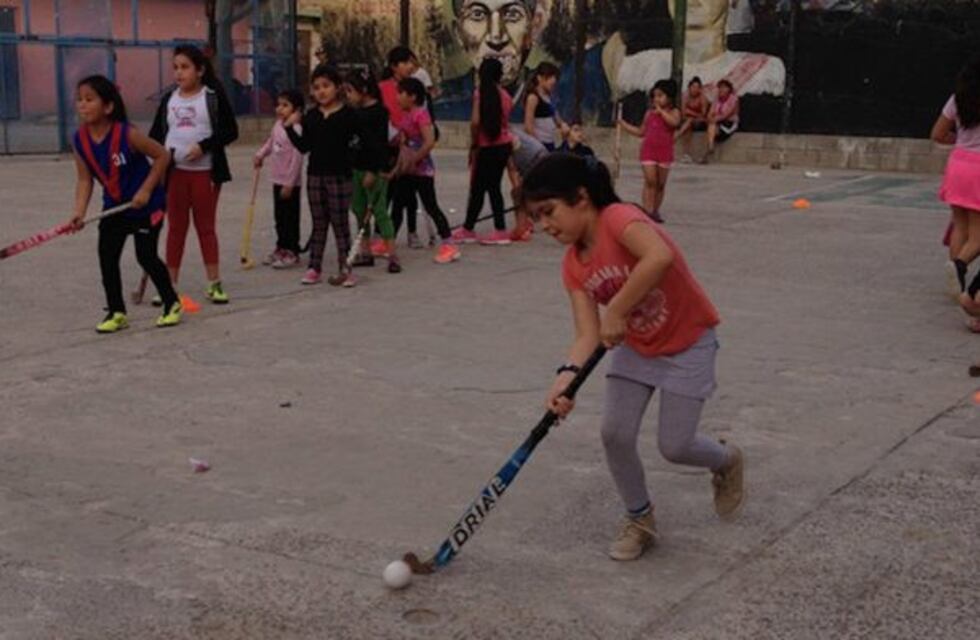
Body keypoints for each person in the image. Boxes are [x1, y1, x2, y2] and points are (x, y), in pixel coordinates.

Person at [521, 152, 745, 562]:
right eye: (537, 217)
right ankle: (639, 516)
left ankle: (726, 459)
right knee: (615, 434)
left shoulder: (619, 218)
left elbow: (658, 256)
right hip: (638, 349)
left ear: (582, 197)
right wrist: (566, 377)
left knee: (675, 446)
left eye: (549, 211)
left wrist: (619, 310)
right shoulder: (573, 266)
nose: (545, 226)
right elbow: (588, 333)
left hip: (688, 342)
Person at [70, 75, 181, 333]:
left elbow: (162, 156)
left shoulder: (127, 134)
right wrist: (78, 212)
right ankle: (117, 311)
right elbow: (84, 180)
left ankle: (171, 303)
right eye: (79, 100)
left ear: (108, 107)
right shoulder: (80, 141)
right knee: (107, 257)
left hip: (147, 205)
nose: (82, 105)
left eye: (89, 99)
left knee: (146, 255)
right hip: (114, 207)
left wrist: (145, 190)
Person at [149, 44, 238, 305]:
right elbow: (155, 136)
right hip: (175, 175)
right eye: (175, 67)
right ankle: (169, 286)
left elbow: (231, 131)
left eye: (185, 67)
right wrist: (160, 158)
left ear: (199, 70)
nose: (179, 73)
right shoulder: (169, 100)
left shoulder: (211, 97)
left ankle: (214, 283)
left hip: (205, 174)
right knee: (176, 228)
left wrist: (204, 146)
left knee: (206, 228)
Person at [284, 64, 360, 287]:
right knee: (319, 224)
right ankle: (313, 267)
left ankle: (346, 269)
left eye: (326, 86)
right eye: (316, 87)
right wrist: (290, 128)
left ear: (337, 88)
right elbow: (304, 146)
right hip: (315, 175)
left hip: (340, 177)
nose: (321, 91)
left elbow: (357, 144)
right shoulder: (311, 117)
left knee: (340, 224)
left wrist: (356, 166)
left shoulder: (348, 115)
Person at [391, 78, 461, 265]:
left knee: (430, 205)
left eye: (400, 93)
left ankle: (449, 243)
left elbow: (429, 141)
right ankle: (388, 241)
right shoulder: (406, 115)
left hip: (421, 171)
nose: (397, 97)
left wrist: (414, 159)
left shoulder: (421, 115)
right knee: (398, 204)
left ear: (412, 97)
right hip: (408, 170)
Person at [932, 57, 980, 329]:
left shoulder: (957, 100)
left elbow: (938, 134)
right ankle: (960, 267)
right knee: (978, 233)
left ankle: (957, 282)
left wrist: (959, 141)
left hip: (958, 164)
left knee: (959, 226)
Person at [452, 58, 515, 246]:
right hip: (503, 145)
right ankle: (497, 229)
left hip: (486, 146)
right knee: (494, 188)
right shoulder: (505, 96)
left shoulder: (480, 93)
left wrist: (474, 144)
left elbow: (475, 122)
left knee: (478, 189)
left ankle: (471, 228)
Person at [345, 69, 402, 274]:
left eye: (351, 91)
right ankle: (365, 252)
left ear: (365, 90)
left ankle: (392, 255)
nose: (348, 96)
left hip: (374, 171)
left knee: (379, 212)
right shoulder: (353, 113)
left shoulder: (379, 113)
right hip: (355, 169)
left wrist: (372, 170)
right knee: (359, 210)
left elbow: (379, 146)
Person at [254, 89, 305, 269]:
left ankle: (292, 250)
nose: (280, 109)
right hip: (277, 179)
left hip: (290, 183)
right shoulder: (277, 125)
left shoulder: (296, 129)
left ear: (296, 110)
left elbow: (298, 158)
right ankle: (281, 247)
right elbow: (271, 142)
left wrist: (290, 183)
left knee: (290, 217)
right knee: (279, 217)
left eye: (285, 105)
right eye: (278, 105)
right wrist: (260, 155)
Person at [379, 46, 424, 249]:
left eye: (411, 62)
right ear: (394, 66)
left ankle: (412, 231)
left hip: (410, 144)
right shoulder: (383, 88)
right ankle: (382, 232)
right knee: (387, 190)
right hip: (389, 144)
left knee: (408, 191)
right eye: (405, 62)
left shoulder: (415, 87)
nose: (410, 66)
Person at [618, 79, 680, 223]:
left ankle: (655, 210)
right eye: (655, 96)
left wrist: (662, 112)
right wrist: (624, 125)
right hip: (648, 151)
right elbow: (641, 132)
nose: (656, 99)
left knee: (660, 184)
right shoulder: (649, 114)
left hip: (664, 152)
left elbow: (674, 123)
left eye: (660, 96)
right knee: (650, 181)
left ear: (669, 97)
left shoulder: (675, 112)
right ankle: (647, 210)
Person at [524, 62, 567, 151]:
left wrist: (563, 125)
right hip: (540, 144)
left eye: (554, 77)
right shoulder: (533, 97)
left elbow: (556, 117)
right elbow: (528, 126)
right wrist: (537, 145)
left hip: (550, 141)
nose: (553, 80)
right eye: (550, 77)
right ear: (539, 78)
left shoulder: (549, 97)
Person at [676, 76, 711, 163]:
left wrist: (690, 112)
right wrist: (692, 114)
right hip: (688, 121)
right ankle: (687, 155)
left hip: (701, 121)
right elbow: (683, 112)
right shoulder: (685, 96)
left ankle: (676, 136)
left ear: (700, 89)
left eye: (697, 87)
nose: (695, 89)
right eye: (693, 87)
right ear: (689, 87)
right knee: (688, 125)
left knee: (690, 120)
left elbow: (703, 114)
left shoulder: (703, 98)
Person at [703, 79, 739, 163]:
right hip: (717, 122)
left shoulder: (733, 99)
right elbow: (710, 112)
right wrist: (710, 118)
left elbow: (727, 114)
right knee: (711, 128)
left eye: (724, 87)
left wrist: (714, 119)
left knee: (711, 128)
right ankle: (710, 147)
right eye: (720, 87)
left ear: (729, 89)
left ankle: (708, 152)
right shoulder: (716, 99)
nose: (721, 89)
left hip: (729, 123)